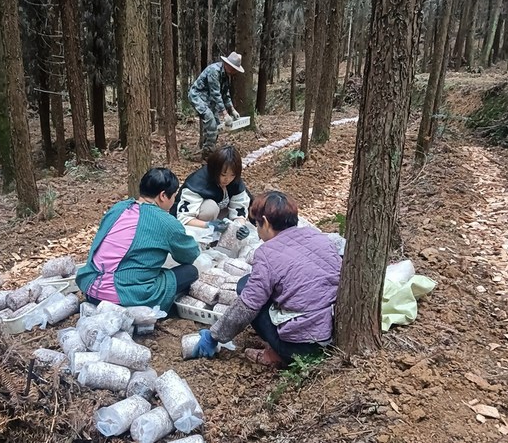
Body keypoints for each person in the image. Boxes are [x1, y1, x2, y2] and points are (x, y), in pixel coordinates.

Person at [191, 191, 341, 367]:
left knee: (245, 287)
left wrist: (213, 336)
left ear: (266, 223)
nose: (257, 230)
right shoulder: (318, 236)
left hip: (300, 346)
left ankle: (280, 354)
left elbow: (247, 305)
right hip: (332, 333)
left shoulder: (266, 253)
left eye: (257, 224)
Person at [76, 168, 201, 312]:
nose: (173, 201)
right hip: (125, 297)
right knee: (190, 271)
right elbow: (189, 255)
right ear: (162, 196)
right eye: (173, 196)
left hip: (90, 288)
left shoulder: (117, 208)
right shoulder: (166, 221)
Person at [171, 145, 251, 241]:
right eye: (223, 175)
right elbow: (184, 218)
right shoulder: (197, 183)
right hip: (193, 222)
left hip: (219, 219)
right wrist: (208, 225)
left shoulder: (235, 182)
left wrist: (240, 226)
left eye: (232, 175)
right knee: (210, 208)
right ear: (214, 170)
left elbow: (239, 208)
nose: (227, 179)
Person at [189, 51, 244, 159]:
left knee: (217, 125)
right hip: (198, 96)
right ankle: (208, 155)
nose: (234, 71)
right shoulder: (214, 71)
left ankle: (208, 147)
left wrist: (232, 110)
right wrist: (225, 114)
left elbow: (225, 94)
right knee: (211, 122)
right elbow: (216, 94)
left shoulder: (226, 76)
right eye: (234, 68)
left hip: (209, 100)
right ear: (228, 65)